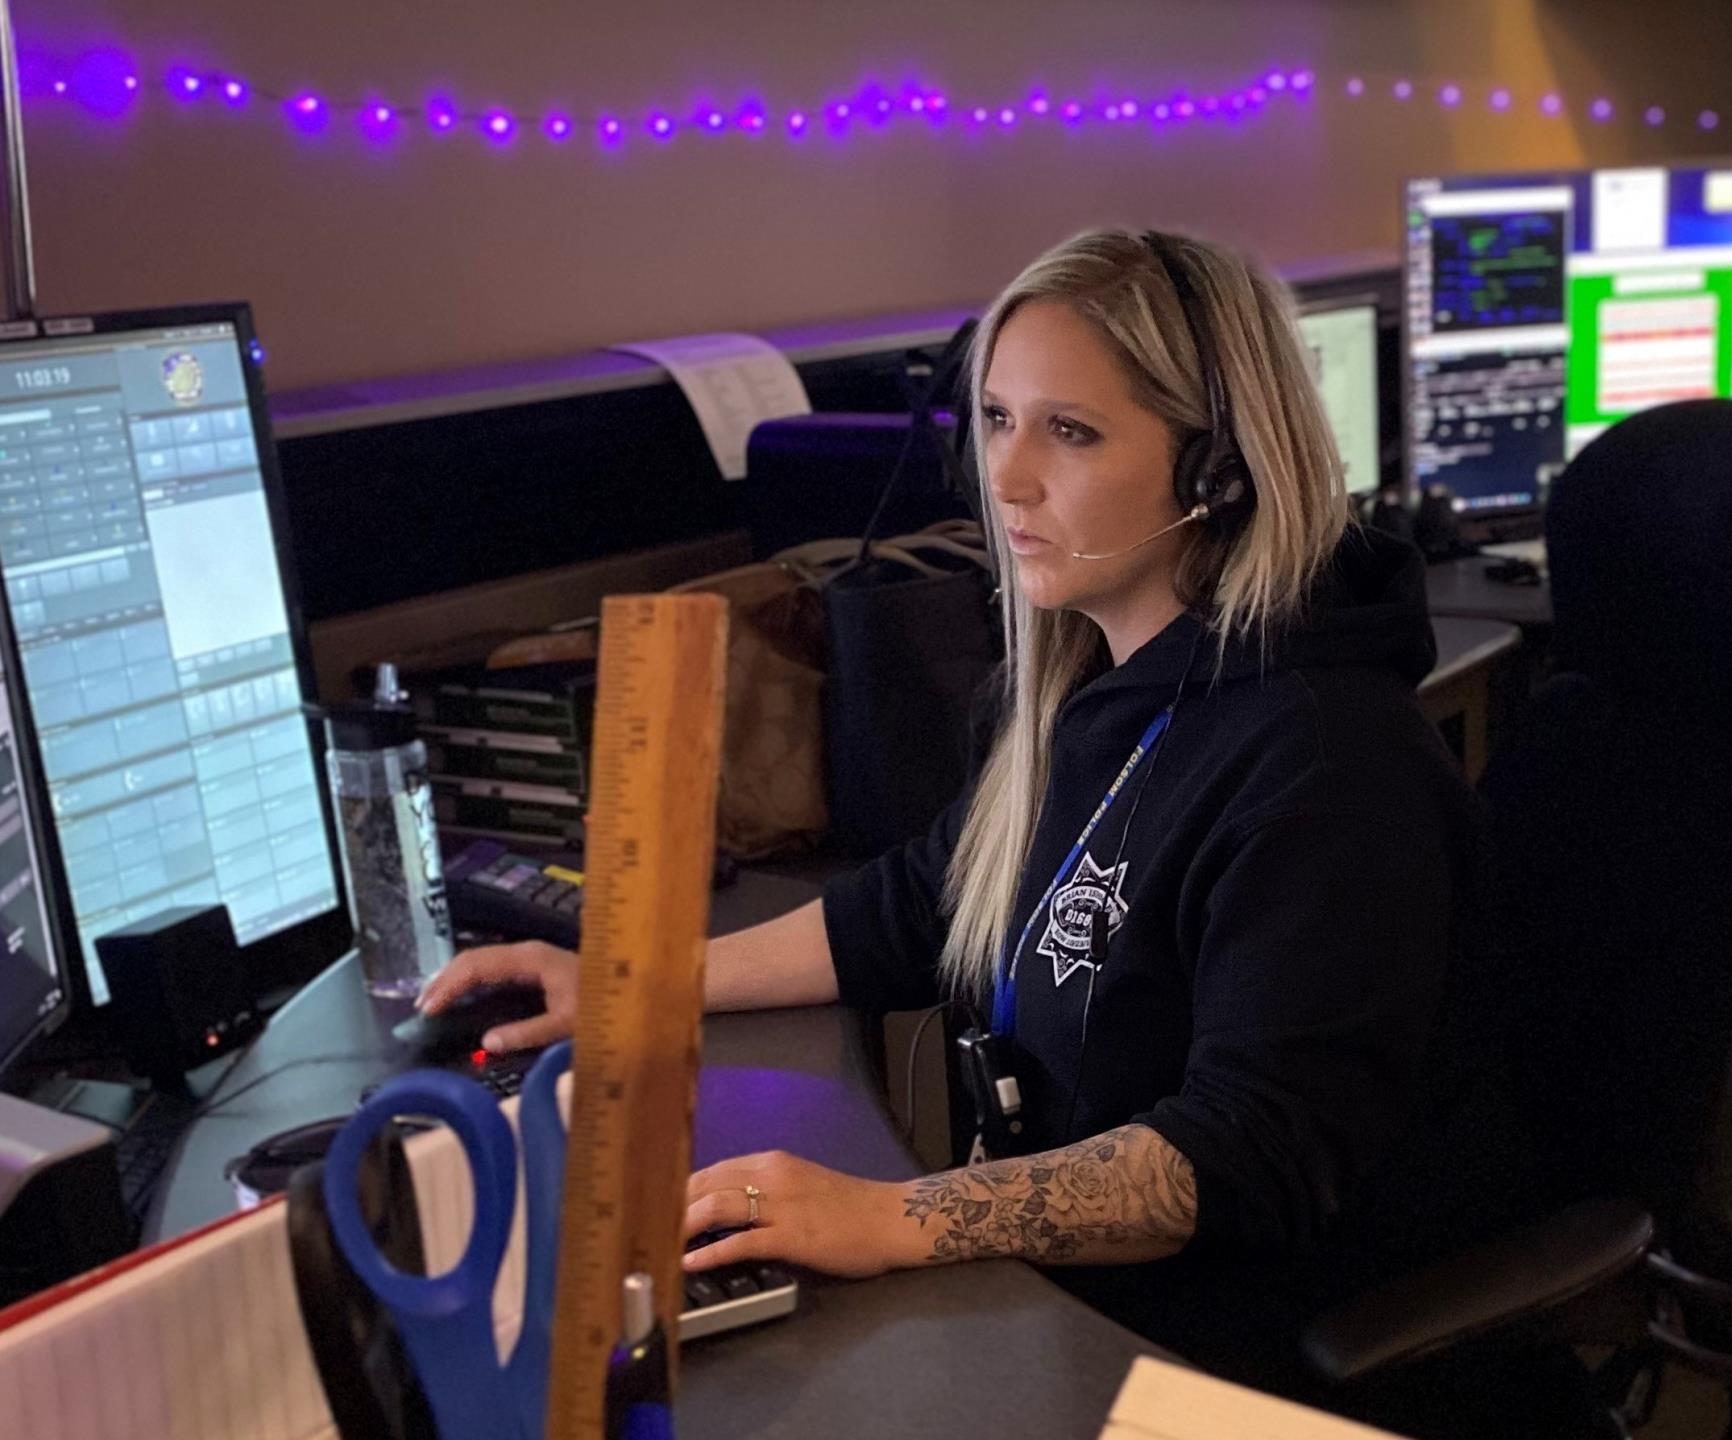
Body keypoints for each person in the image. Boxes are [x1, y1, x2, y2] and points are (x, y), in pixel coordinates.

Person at [421, 229, 1526, 1407]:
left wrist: (891, 1217)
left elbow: (1240, 1159)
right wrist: (635, 986)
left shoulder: (1329, 765)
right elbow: (928, 898)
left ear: (1222, 472)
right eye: (996, 419)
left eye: (1072, 430)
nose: (1005, 480)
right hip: (1078, 1298)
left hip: (1238, 1352)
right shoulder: (1098, 689)